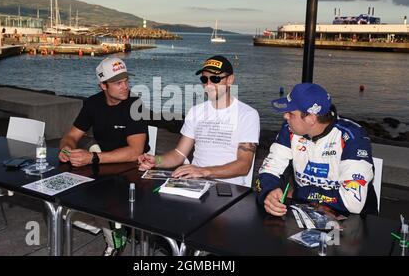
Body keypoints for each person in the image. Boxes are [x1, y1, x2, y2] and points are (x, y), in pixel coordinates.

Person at [58, 57, 149, 255]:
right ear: (103, 86)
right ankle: (114, 226)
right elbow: (72, 136)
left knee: (102, 202)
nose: (125, 86)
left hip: (134, 170)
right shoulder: (93, 104)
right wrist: (66, 149)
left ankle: (114, 231)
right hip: (103, 168)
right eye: (118, 83)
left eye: (126, 81)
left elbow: (135, 151)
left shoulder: (136, 105)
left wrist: (92, 158)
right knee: (63, 203)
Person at [256, 83, 377, 217]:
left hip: (353, 221)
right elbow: (270, 168)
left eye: (291, 113)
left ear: (311, 118)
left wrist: (299, 193)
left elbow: (352, 202)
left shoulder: (353, 137)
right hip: (304, 212)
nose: (285, 116)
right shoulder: (289, 129)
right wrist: (269, 191)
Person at [138, 55, 260, 187]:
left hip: (228, 187)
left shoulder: (247, 115)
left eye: (215, 78)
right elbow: (178, 154)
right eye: (204, 79)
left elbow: (244, 165)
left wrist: (203, 171)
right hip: (195, 183)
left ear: (230, 80)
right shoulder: (196, 112)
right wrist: (156, 160)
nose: (208, 84)